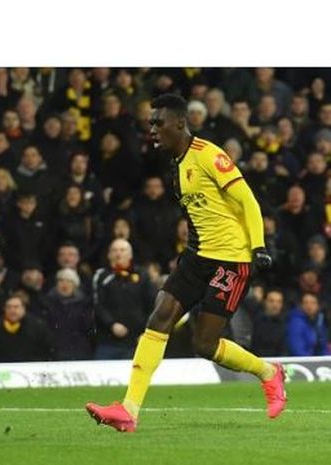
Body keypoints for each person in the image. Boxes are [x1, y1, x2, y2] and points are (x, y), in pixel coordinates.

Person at [86, 93, 286, 433]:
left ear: (180, 123)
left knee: (204, 344)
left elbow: (247, 200)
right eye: (150, 123)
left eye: (158, 122)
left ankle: (269, 372)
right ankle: (128, 410)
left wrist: (258, 246)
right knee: (159, 316)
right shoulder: (175, 164)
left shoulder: (209, 155)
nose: (152, 129)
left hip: (231, 260)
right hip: (198, 256)